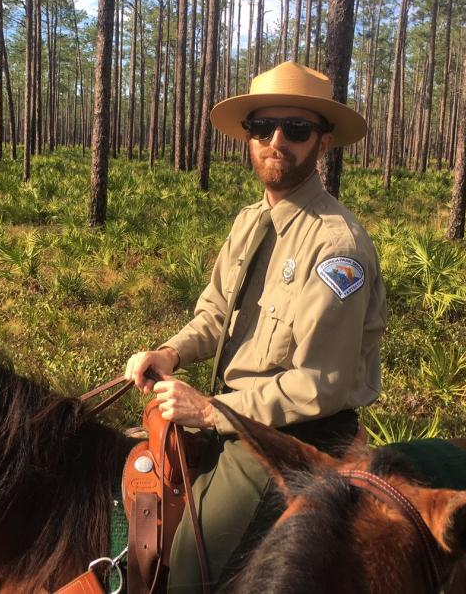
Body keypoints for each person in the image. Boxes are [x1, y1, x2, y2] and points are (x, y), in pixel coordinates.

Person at [124, 61, 386, 591]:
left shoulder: (337, 247)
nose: (276, 141)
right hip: (235, 413)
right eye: (262, 128)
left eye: (296, 129)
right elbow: (216, 312)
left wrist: (210, 409)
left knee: (187, 572)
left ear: (323, 142)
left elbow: (321, 382)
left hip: (290, 436)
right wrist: (170, 353)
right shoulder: (249, 222)